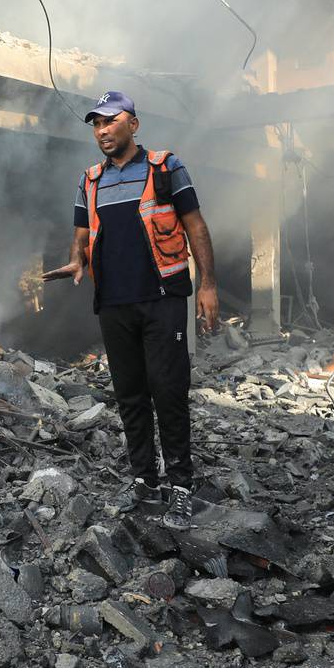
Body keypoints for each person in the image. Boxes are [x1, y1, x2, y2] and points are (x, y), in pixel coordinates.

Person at [64, 90, 219, 520]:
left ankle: (182, 484)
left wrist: (208, 285)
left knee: (168, 391)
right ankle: (145, 483)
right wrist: (77, 259)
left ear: (133, 124)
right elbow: (81, 233)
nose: (102, 130)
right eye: (96, 124)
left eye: (110, 121)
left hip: (163, 298)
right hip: (113, 303)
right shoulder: (90, 179)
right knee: (130, 395)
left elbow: (196, 227)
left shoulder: (166, 167)